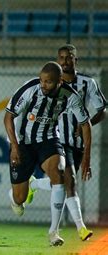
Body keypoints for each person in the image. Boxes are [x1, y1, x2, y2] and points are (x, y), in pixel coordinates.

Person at [4, 61, 92, 246]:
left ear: (59, 81)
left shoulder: (70, 95)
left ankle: (54, 232)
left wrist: (87, 158)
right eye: (42, 80)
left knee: (59, 174)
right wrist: (14, 146)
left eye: (49, 82)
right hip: (23, 142)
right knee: (20, 199)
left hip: (48, 139)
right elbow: (8, 116)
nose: (43, 85)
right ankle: (17, 195)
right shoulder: (30, 89)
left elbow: (85, 124)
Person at [26, 44, 106, 241]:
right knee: (70, 181)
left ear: (75, 60)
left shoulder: (88, 83)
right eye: (61, 57)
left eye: (69, 57)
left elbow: (103, 110)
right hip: (58, 140)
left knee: (62, 183)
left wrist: (86, 124)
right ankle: (79, 228)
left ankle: (34, 184)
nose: (65, 61)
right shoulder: (51, 84)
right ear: (57, 60)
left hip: (77, 142)